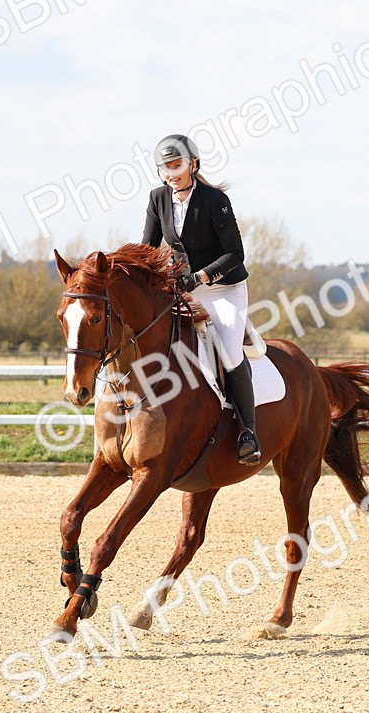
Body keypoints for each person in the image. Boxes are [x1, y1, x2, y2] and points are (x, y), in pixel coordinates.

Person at [141, 133, 260, 467]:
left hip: (223, 289)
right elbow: (148, 250)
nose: (171, 172)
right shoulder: (157, 198)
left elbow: (235, 254)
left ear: (193, 164)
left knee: (229, 351)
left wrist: (200, 277)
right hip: (184, 288)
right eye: (165, 167)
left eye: (177, 165)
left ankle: (248, 432)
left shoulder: (214, 200)